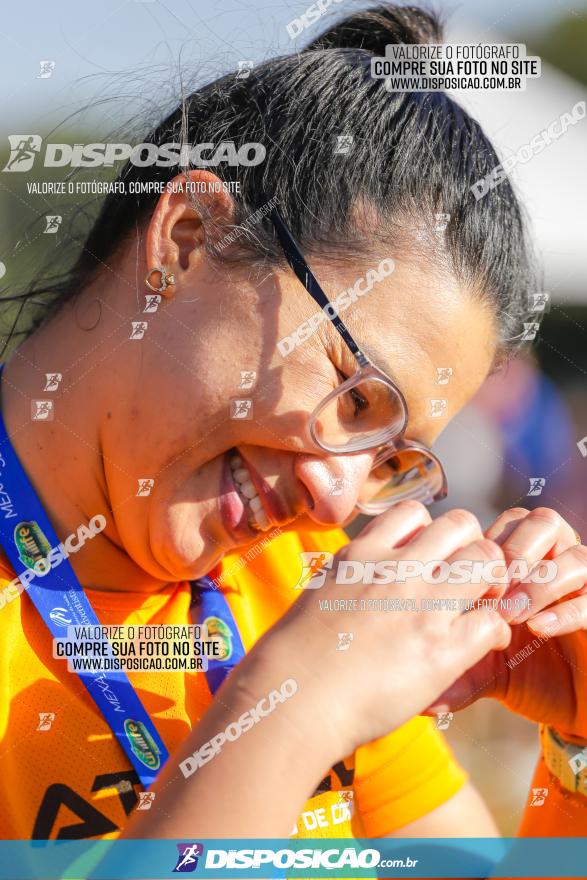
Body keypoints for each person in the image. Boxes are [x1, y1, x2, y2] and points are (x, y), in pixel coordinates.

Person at [0, 2, 585, 849]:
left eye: (393, 454)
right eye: (354, 397)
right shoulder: (309, 653)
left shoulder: (301, 590)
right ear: (187, 240)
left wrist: (575, 750)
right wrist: (290, 715)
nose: (336, 496)